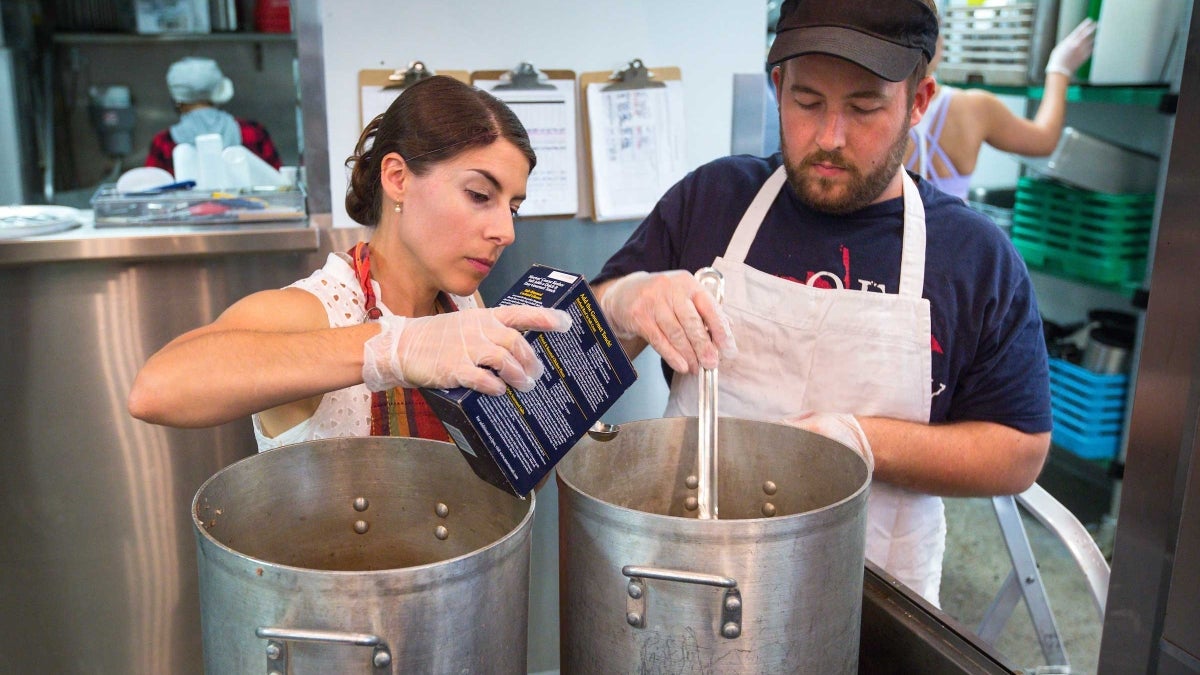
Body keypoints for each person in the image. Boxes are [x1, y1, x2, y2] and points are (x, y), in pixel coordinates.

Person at [593, 0, 1051, 605]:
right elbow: (571, 364)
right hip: (695, 576)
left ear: (919, 101)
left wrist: (860, 441)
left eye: (864, 108)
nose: (830, 138)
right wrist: (621, 302)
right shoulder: (713, 200)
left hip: (874, 604)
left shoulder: (975, 258)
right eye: (807, 103)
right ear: (778, 86)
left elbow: (1017, 453)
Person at [128, 75, 572, 450]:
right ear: (397, 178)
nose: (505, 232)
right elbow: (156, 390)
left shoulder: (464, 304)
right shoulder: (316, 310)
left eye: (511, 208)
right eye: (479, 195)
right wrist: (391, 349)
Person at [904, 16, 1097, 200]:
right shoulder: (974, 108)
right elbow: (1044, 139)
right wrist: (1059, 69)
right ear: (936, 44)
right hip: (954, 232)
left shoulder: (884, 108)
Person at [144, 56, 282, 174]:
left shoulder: (164, 142)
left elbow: (152, 189)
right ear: (218, 91)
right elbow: (279, 184)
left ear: (177, 99)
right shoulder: (252, 132)